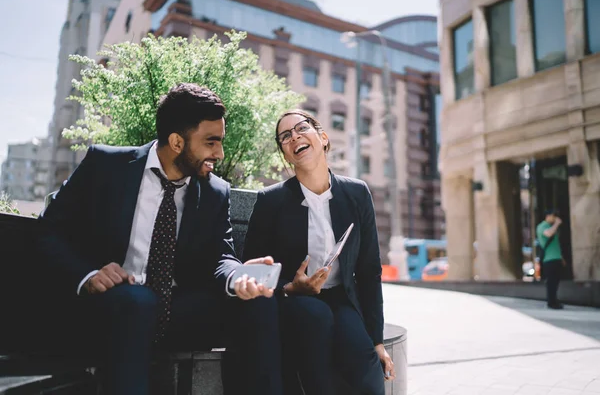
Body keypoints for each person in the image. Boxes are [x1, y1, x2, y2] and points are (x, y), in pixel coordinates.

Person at [38, 83, 282, 395]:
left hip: (177, 314)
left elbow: (221, 256)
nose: (219, 153)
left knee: (260, 302)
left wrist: (239, 277)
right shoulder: (106, 165)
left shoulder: (214, 191)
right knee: (137, 301)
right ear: (177, 141)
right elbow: (49, 230)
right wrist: (88, 275)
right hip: (117, 310)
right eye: (211, 142)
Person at [243, 109, 395, 395]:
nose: (294, 137)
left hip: (341, 297)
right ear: (286, 155)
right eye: (285, 136)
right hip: (293, 299)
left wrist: (377, 340)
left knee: (366, 363)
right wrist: (290, 287)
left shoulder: (357, 193)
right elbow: (252, 269)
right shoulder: (270, 201)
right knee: (315, 319)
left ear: (323, 138)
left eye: (301, 128)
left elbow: (369, 271)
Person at [536, 209, 566, 309]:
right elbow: (548, 234)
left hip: (556, 258)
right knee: (551, 282)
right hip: (549, 259)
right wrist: (557, 224)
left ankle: (554, 300)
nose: (555, 218)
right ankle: (551, 302)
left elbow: (556, 244)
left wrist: (561, 257)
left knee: (556, 281)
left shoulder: (551, 227)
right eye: (553, 216)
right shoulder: (542, 226)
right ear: (547, 216)